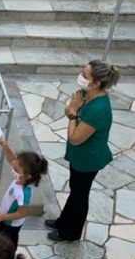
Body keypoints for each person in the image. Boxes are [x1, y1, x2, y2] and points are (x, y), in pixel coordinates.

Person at [46, 60, 121, 242]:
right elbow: (69, 108)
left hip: (88, 160)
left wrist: (73, 113)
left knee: (80, 195)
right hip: (79, 156)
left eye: (84, 75)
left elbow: (75, 137)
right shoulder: (87, 94)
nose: (80, 76)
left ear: (95, 82)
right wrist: (71, 109)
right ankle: (63, 221)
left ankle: (71, 233)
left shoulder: (99, 109)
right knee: (75, 190)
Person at [0, 138, 48, 250]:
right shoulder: (21, 177)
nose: (13, 168)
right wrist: (5, 146)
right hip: (4, 220)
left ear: (27, 176)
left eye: (16, 169)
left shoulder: (23, 193)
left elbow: (22, 213)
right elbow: (12, 160)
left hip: (10, 224)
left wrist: (2, 216)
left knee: (6, 246)